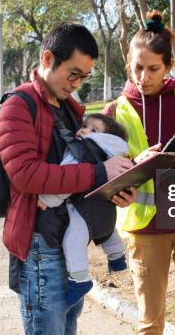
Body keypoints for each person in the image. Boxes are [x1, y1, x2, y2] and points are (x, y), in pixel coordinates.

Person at [0, 23, 138, 335]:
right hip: (39, 245)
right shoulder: (18, 106)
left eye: (84, 77)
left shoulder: (71, 111)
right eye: (73, 73)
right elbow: (25, 174)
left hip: (70, 243)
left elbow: (83, 173)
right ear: (47, 59)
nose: (77, 83)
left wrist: (114, 189)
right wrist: (99, 173)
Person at [104, 10, 175, 335]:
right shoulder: (114, 112)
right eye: (137, 68)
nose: (143, 76)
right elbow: (106, 175)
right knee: (149, 324)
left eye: (153, 69)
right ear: (129, 64)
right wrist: (134, 166)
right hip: (144, 229)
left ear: (169, 66)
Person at [38, 114, 129, 307]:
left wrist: (47, 199)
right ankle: (117, 257)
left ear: (106, 137)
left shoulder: (80, 149)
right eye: (85, 126)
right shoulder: (117, 155)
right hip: (105, 210)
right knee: (110, 231)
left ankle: (80, 280)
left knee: (73, 240)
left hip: (82, 211)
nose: (84, 130)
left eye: (93, 130)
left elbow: (66, 179)